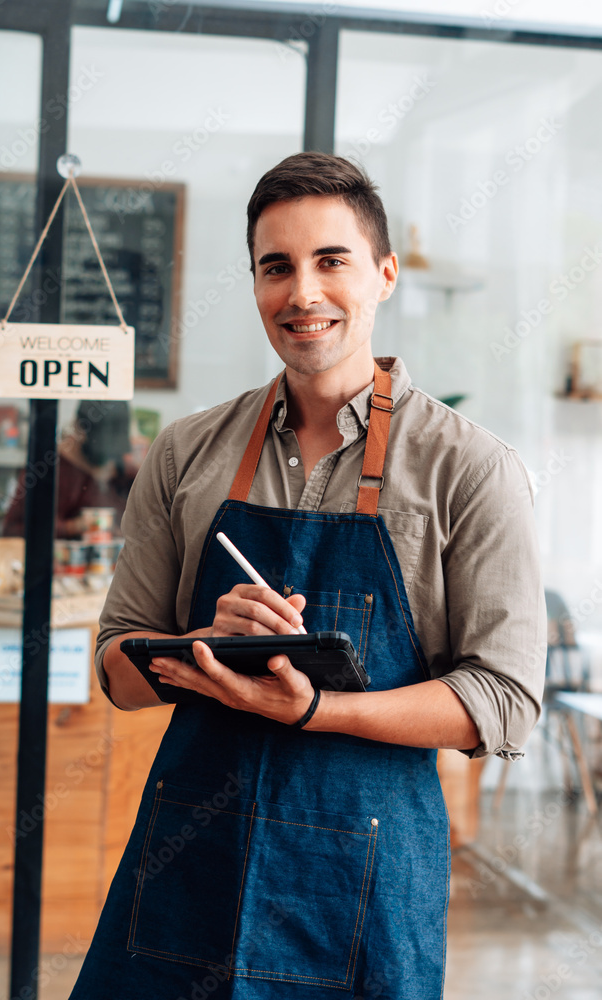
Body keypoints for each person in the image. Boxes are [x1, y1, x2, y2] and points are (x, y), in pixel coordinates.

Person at [69, 153, 546, 1000]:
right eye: (275, 266)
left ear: (384, 274)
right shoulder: (185, 452)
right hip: (192, 863)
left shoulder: (470, 469)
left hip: (362, 878)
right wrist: (200, 647)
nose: (302, 293)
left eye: (331, 260)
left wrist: (319, 708)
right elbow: (118, 671)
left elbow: (503, 704)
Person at [3, 400, 136, 539]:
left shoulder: (124, 473)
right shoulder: (48, 470)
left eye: (115, 452)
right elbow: (12, 530)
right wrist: (70, 527)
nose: (108, 461)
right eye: (101, 452)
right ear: (80, 430)